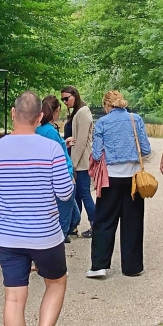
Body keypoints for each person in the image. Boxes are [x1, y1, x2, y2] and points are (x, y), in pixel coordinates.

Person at [0, 91, 74, 326]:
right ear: (40, 117)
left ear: (12, 113)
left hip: (8, 237)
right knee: (56, 282)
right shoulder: (52, 149)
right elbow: (65, 193)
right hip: (45, 236)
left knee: (14, 298)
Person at [87, 90, 150, 279]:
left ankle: (99, 265)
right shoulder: (135, 119)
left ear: (107, 105)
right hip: (133, 179)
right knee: (133, 222)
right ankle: (132, 266)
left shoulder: (103, 123)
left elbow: (97, 153)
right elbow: (146, 148)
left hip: (111, 178)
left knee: (104, 221)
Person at [37, 95, 80, 243]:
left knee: (74, 215)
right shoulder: (50, 131)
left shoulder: (39, 129)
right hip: (63, 176)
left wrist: (64, 143)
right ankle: (58, 243)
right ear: (55, 111)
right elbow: (57, 156)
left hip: (52, 176)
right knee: (66, 217)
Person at [61, 86, 95, 238]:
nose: (64, 102)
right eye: (62, 99)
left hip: (81, 163)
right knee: (77, 196)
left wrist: (72, 164)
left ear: (75, 95)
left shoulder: (83, 113)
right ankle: (74, 225)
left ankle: (96, 225)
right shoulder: (77, 112)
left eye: (66, 98)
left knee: (84, 193)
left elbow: (80, 142)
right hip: (77, 161)